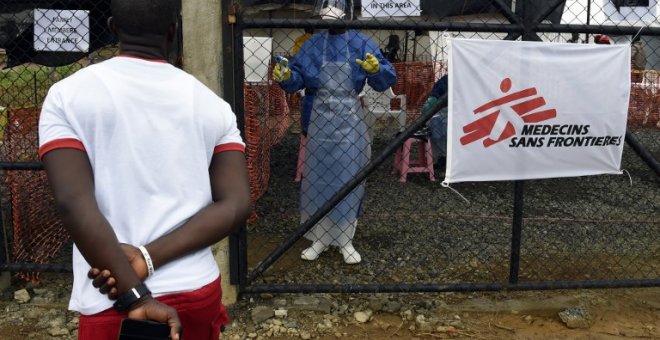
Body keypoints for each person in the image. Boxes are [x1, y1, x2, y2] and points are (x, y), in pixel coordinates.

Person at [38, 0, 252, 339]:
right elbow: (237, 203)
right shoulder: (214, 107)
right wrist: (148, 257)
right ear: (173, 33)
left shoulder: (67, 96)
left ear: (112, 29)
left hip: (115, 298)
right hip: (195, 288)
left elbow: (72, 201)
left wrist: (133, 289)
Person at [273, 0, 396, 264]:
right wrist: (285, 77)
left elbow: (386, 76)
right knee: (318, 178)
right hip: (317, 117)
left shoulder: (362, 43)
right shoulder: (312, 44)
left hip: (350, 120)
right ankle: (319, 236)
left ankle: (345, 240)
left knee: (348, 178)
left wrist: (376, 71)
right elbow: (296, 78)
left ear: (348, 13)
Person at [421, 74, 449, 167]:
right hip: (444, 111)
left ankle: (441, 156)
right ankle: (441, 157)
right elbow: (435, 94)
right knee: (436, 127)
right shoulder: (447, 79)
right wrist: (432, 99)